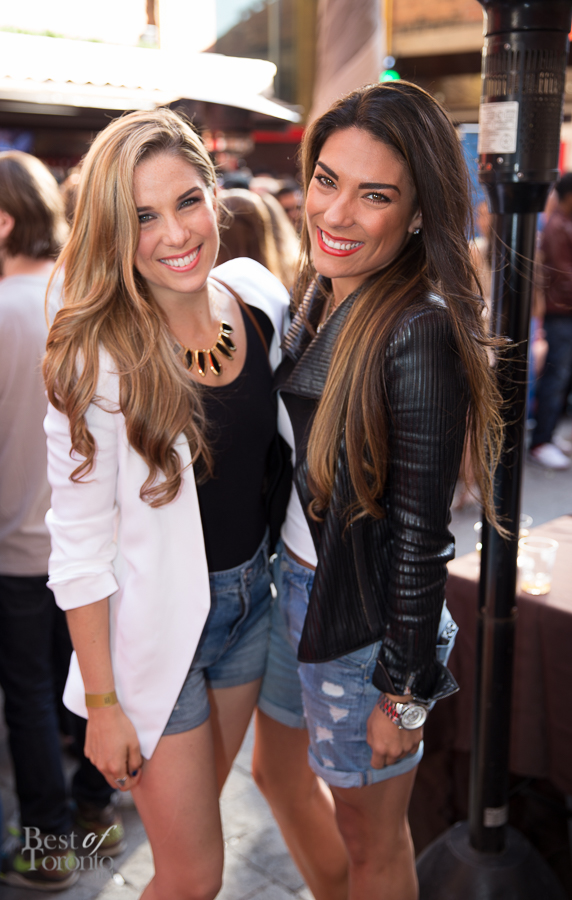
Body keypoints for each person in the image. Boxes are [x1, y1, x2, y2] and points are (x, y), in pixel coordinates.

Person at [252, 81, 503, 900]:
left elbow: (421, 536)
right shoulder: (325, 290)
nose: (336, 212)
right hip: (296, 589)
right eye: (327, 180)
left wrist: (404, 694)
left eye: (375, 195)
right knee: (275, 777)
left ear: (418, 212)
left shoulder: (417, 329)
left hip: (365, 629)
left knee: (374, 841)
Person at [43, 109, 289, 899]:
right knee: (195, 875)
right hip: (151, 635)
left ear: (215, 196)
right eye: (143, 216)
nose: (175, 233)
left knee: (189, 850)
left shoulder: (258, 299)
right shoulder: (96, 356)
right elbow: (77, 547)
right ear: (114, 231)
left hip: (249, 613)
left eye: (187, 201)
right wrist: (102, 704)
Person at [0, 150, 121, 891]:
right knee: (84, 679)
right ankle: (95, 805)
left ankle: (48, 850)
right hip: (89, 544)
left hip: (21, 547)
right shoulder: (81, 297)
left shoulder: (9, 308)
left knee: (32, 698)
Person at [529, 172, 572, 469]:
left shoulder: (562, 223)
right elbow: (563, 276)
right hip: (560, 314)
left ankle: (548, 435)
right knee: (555, 377)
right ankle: (541, 441)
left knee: (561, 378)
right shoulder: (557, 226)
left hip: (563, 313)